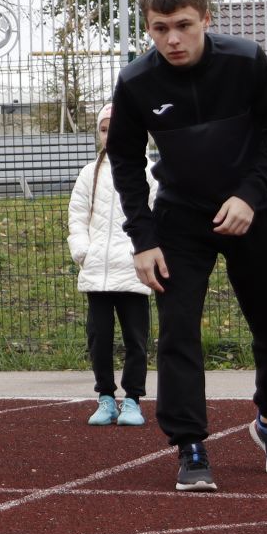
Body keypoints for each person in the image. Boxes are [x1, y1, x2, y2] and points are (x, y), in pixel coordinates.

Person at [106, 0, 267, 492]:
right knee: (177, 329)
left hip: (254, 213)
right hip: (181, 220)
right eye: (159, 28)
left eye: (183, 25)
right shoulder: (135, 82)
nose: (172, 39)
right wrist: (143, 240)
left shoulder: (246, 62)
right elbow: (124, 161)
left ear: (206, 20)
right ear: (147, 28)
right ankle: (190, 444)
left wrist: (250, 195)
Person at [67, 101, 154, 428]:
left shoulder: (148, 173)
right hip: (97, 274)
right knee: (98, 338)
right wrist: (83, 250)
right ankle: (105, 397)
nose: (111, 136)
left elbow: (158, 214)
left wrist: (148, 251)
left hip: (134, 272)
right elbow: (77, 216)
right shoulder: (90, 174)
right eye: (104, 130)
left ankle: (132, 400)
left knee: (136, 339)